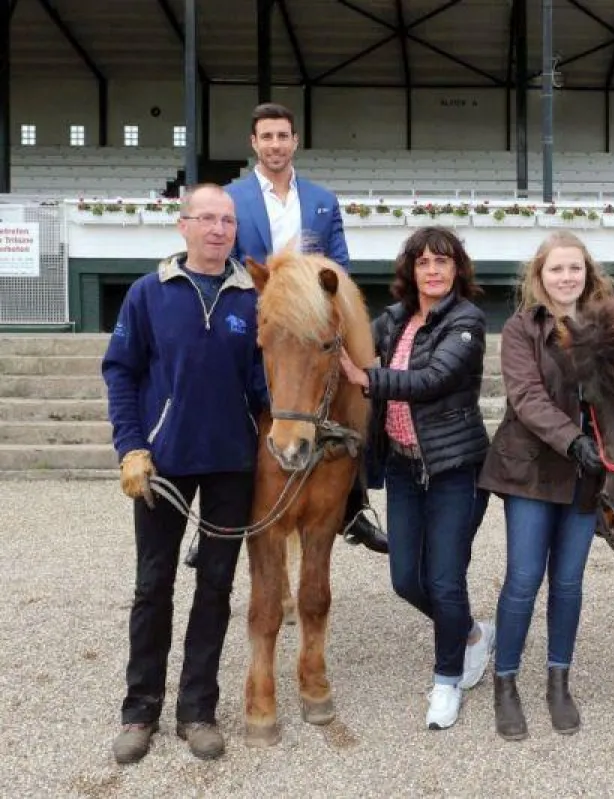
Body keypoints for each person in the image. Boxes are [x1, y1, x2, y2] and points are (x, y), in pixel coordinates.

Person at [103, 184, 269, 763]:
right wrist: (130, 446)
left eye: (227, 221)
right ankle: (139, 710)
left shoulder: (253, 299)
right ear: (184, 226)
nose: (219, 229)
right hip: (163, 464)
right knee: (153, 586)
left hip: (231, 465)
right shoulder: (148, 293)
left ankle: (197, 710)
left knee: (216, 588)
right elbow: (120, 372)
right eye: (207, 218)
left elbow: (262, 383)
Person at [338, 226, 494, 730]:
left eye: (442, 261)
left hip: (454, 469)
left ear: (457, 269)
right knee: (406, 579)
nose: (432, 270)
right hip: (404, 468)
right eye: (423, 262)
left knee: (444, 580)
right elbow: (350, 344)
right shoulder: (393, 320)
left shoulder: (466, 320)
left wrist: (365, 378)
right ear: (410, 269)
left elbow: (433, 380)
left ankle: (447, 680)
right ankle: (472, 634)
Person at [226, 101, 387, 554]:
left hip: (313, 324)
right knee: (227, 402)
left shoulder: (322, 200)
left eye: (283, 136)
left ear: (295, 141)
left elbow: (339, 266)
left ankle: (354, 503)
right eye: (267, 136)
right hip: (261, 319)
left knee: (357, 398)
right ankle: (224, 512)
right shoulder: (233, 198)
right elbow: (229, 263)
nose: (275, 144)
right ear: (254, 143)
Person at [477, 232, 613, 741]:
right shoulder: (521, 328)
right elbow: (527, 398)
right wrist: (574, 440)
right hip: (531, 471)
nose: (566, 277)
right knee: (523, 579)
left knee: (569, 582)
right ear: (540, 275)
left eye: (575, 268)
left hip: (586, 473)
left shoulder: (604, 324)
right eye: (556, 269)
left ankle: (559, 681)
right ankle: (506, 683)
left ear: (587, 272)